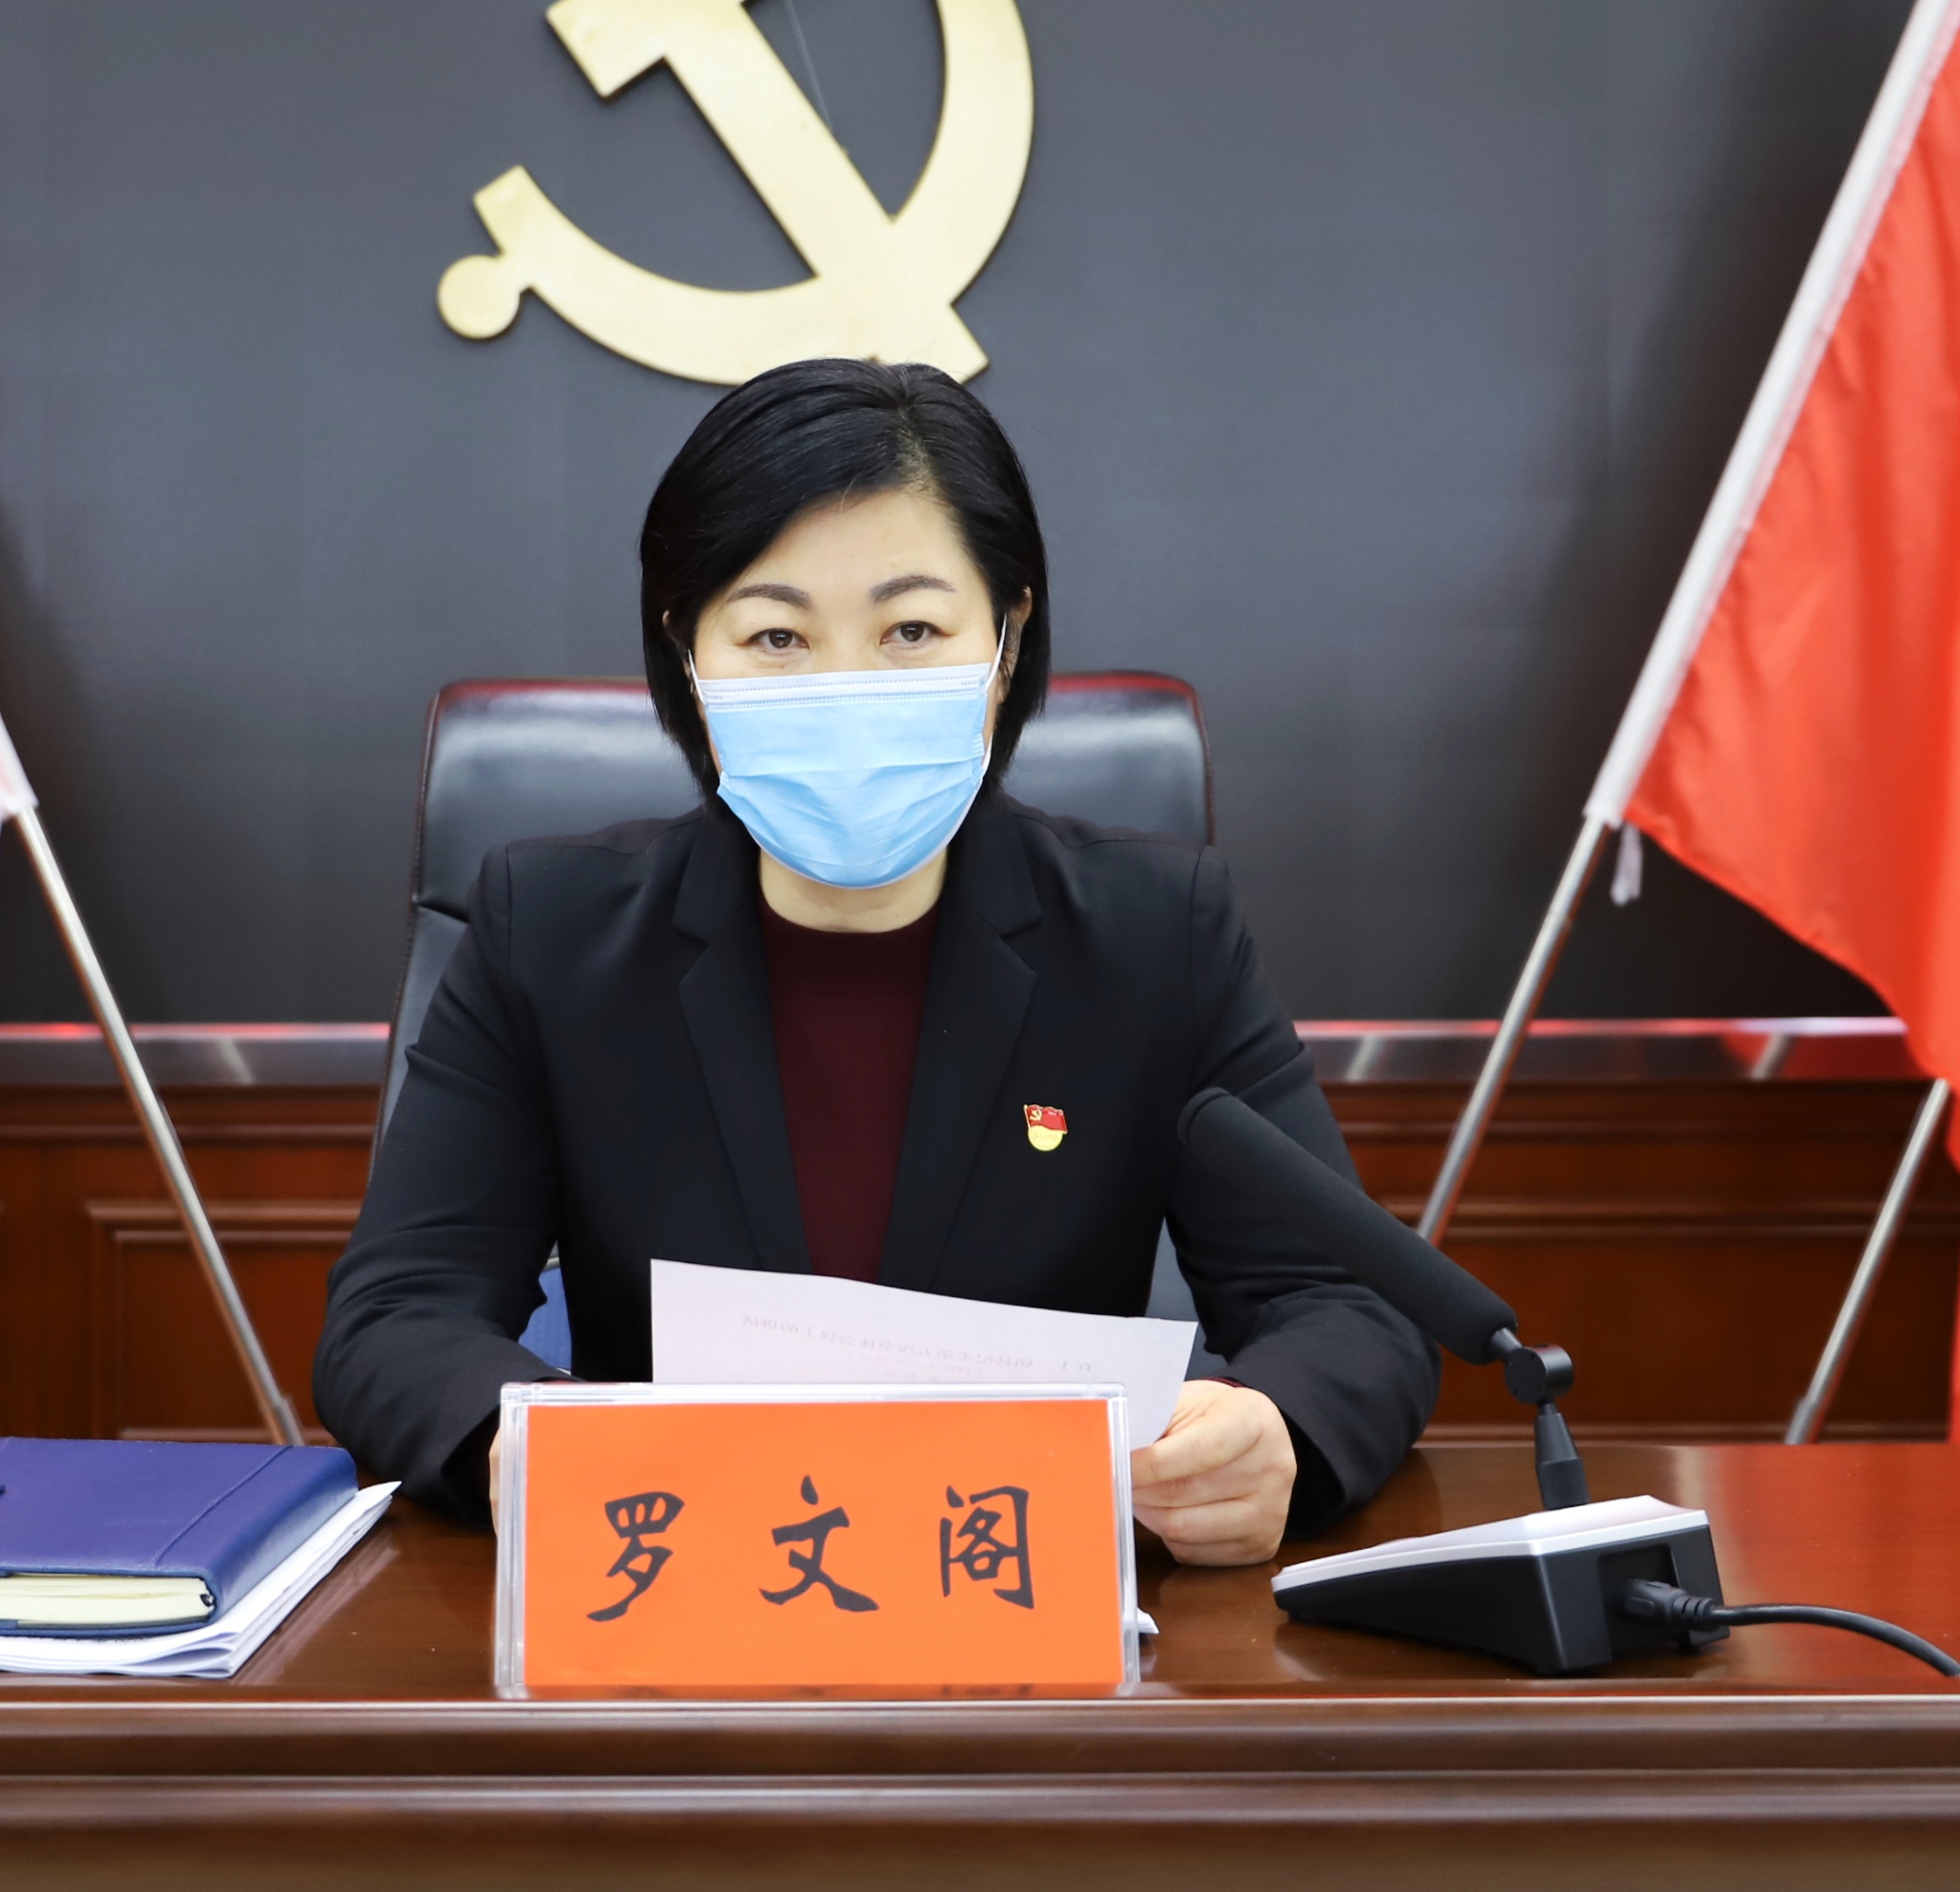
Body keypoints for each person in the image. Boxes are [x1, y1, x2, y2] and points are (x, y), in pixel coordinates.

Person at [314, 359, 1436, 1564]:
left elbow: (1350, 1305)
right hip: (680, 1591)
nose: (844, 685)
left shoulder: (1154, 934)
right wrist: (526, 1441)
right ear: (685, 655)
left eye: (910, 630)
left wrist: (1276, 1432)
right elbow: (396, 1315)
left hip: (1024, 1592)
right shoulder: (550, 933)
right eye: (775, 635)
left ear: (1005, 638)